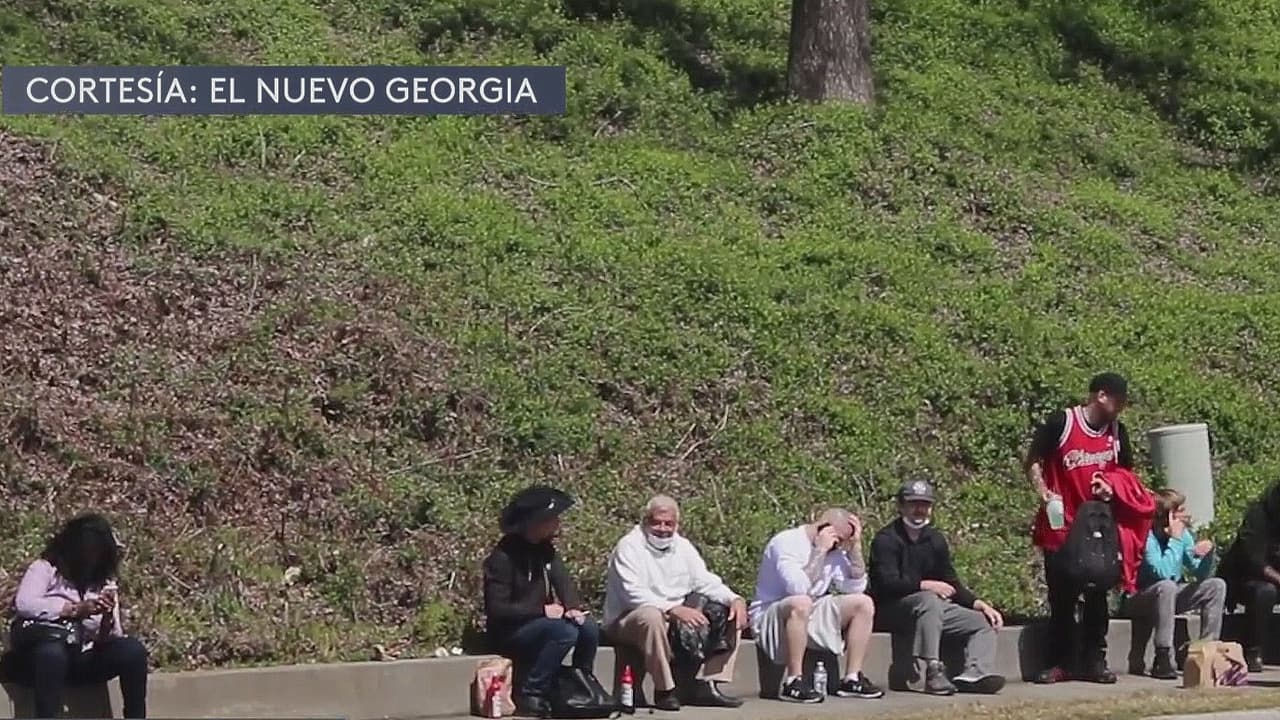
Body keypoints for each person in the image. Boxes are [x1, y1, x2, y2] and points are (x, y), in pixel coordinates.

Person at [1024, 371, 1134, 684]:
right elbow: (1032, 459)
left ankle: (1094, 660)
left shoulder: (1117, 432)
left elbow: (1127, 476)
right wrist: (1044, 492)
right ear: (1101, 396)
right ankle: (1060, 662)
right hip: (1061, 523)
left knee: (1097, 594)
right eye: (1118, 400)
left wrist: (1113, 489)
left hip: (1098, 525)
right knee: (1062, 596)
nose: (1122, 407)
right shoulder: (1062, 423)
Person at [603, 495, 745, 710]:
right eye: (656, 522)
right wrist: (672, 609)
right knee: (651, 616)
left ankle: (709, 683)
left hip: (674, 614)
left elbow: (704, 580)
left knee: (732, 611)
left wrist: (734, 598)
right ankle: (665, 690)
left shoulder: (683, 547)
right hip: (628, 618)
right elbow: (633, 594)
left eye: (668, 523)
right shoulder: (628, 547)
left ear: (677, 525)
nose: (662, 528)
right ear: (645, 521)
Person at [868, 479, 1006, 696]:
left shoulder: (935, 539)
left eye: (924, 504)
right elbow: (885, 583)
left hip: (928, 611)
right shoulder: (886, 540)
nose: (919, 510)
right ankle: (933, 670)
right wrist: (924, 585)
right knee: (929, 599)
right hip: (891, 609)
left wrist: (978, 604)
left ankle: (974, 675)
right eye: (913, 504)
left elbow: (950, 581)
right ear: (901, 506)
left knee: (982, 621)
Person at [10, 513, 148, 719]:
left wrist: (107, 617)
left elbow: (111, 637)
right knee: (52, 653)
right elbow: (25, 603)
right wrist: (73, 609)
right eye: (89, 554)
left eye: (98, 555)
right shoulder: (45, 569)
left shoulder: (103, 581)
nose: (92, 561)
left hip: (83, 659)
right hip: (42, 661)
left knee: (133, 651)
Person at [482, 485, 600, 716]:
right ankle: (531, 693)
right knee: (563, 633)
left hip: (539, 623)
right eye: (553, 518)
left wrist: (572, 608)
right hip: (511, 630)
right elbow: (497, 609)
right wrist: (541, 610)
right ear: (535, 522)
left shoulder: (544, 549)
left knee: (587, 628)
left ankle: (581, 684)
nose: (558, 523)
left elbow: (562, 581)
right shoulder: (502, 558)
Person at [748, 508, 883, 704]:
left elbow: (855, 587)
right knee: (801, 602)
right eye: (838, 541)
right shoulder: (786, 542)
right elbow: (798, 588)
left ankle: (852, 678)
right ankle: (794, 681)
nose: (839, 547)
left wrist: (855, 549)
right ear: (824, 529)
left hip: (810, 609)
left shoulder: (835, 550)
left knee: (863, 603)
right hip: (771, 615)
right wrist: (819, 551)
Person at [1124, 489, 1225, 679]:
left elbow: (1199, 573)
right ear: (1167, 515)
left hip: (1168, 596)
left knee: (1216, 586)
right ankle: (1162, 657)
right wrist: (1176, 540)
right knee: (1167, 586)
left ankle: (1207, 652)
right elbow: (1162, 572)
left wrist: (1207, 554)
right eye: (1180, 510)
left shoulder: (1182, 534)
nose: (1186, 513)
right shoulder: (1148, 537)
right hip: (1140, 597)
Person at [1216, 480, 1280, 672]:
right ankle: (1253, 650)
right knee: (1265, 592)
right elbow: (1254, 559)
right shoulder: (1259, 515)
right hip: (1245, 578)